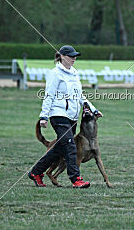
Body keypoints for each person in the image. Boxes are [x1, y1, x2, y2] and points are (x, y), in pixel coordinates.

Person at [28, 45, 103, 188]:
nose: (74, 58)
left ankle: (36, 172)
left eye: (75, 56)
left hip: (72, 117)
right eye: (71, 56)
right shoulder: (55, 74)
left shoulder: (74, 73)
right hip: (58, 115)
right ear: (62, 57)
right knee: (70, 146)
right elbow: (49, 95)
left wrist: (93, 110)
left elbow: (80, 96)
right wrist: (44, 116)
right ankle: (76, 179)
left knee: (60, 148)